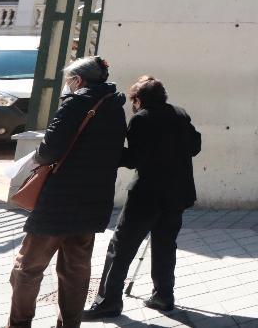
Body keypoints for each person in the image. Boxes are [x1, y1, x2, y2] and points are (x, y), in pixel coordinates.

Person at [8, 57, 126, 328]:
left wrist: (34, 158)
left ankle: (18, 324)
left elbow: (50, 149)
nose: (68, 85)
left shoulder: (76, 103)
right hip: (94, 200)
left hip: (59, 201)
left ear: (79, 80)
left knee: (28, 267)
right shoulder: (115, 107)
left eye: (69, 80)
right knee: (76, 269)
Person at [84, 76, 201, 318]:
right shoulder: (180, 114)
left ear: (138, 100)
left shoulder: (141, 119)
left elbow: (134, 159)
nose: (132, 105)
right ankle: (163, 296)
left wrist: (111, 152)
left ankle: (109, 301)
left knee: (121, 247)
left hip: (148, 195)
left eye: (133, 101)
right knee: (165, 245)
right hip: (177, 193)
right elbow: (195, 147)